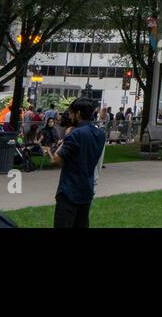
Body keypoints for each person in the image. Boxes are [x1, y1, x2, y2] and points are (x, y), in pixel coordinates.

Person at [50, 98, 107, 229]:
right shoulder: (100, 134)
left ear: (78, 113)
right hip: (87, 188)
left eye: (71, 113)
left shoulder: (75, 134)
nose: (70, 116)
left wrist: (65, 138)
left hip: (69, 190)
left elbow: (56, 158)